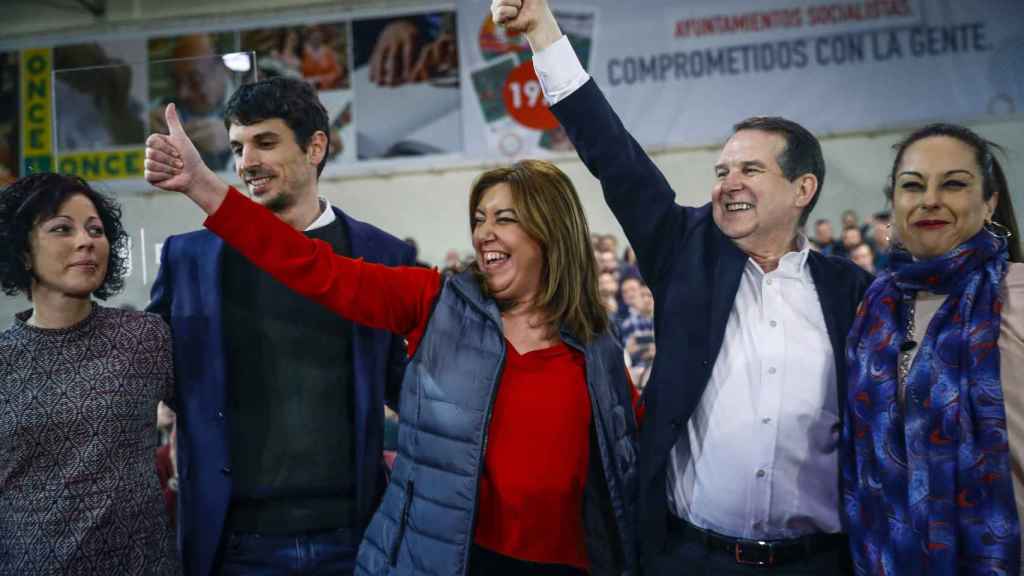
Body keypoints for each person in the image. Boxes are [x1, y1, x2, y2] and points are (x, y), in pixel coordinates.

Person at [145, 99, 641, 573]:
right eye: (479, 219)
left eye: (504, 219)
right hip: (458, 561)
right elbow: (310, 267)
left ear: (551, 232)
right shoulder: (435, 300)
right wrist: (203, 187)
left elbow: (633, 456)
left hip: (572, 564)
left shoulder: (596, 347)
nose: (484, 233)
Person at [492, 1, 873, 573]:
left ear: (803, 189)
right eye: (721, 172)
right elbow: (612, 154)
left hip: (817, 561)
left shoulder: (854, 293)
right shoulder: (683, 250)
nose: (728, 184)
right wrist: (543, 35)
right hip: (691, 557)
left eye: (749, 170)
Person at [145, 77, 414, 576]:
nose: (246, 162)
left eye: (265, 142)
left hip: (356, 539)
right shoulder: (189, 259)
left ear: (316, 148)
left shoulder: (383, 256)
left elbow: (415, 393)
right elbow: (138, 379)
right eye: (237, 147)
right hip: (236, 544)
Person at [843, 123, 1024, 575]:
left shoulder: (1017, 294)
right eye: (912, 186)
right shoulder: (873, 310)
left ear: (990, 202)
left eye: (954, 184)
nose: (929, 200)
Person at [0, 173, 178, 574]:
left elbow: (211, 414)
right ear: (23, 252)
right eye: (62, 228)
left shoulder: (144, 338)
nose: (86, 241)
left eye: (95, 229)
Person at [150, 33, 234, 170]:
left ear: (224, 69)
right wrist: (145, 130)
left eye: (195, 80)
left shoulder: (253, 103)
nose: (183, 93)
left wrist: (234, 139)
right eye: (176, 81)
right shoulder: (161, 107)